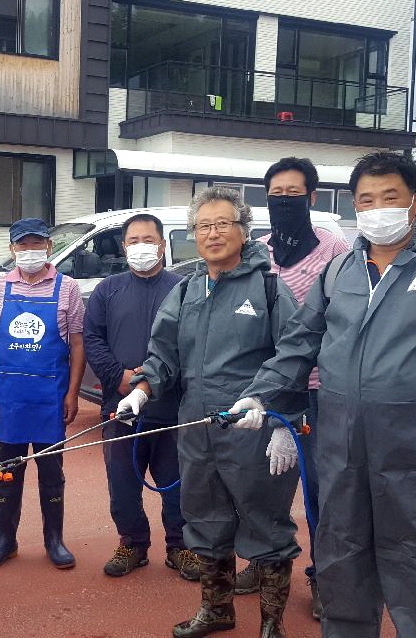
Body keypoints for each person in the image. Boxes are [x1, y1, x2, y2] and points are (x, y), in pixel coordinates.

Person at [234, 152, 416, 638]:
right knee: (342, 557)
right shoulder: (338, 273)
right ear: (355, 206)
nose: (378, 208)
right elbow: (298, 344)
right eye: (366, 200)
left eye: (390, 197)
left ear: (414, 203)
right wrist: (261, 396)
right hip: (341, 449)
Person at [117, 187, 306, 638]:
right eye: (204, 225)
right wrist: (142, 390)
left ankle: (271, 625)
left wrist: (279, 414)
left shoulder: (269, 287)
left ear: (243, 230)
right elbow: (163, 355)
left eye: (223, 223)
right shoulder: (186, 290)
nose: (213, 233)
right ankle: (217, 610)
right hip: (196, 429)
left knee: (266, 523)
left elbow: (296, 354)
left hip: (254, 430)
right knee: (205, 520)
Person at [234, 157, 349, 620]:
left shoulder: (335, 249)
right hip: (269, 388)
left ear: (312, 198)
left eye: (293, 194)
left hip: (320, 392)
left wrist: (299, 402)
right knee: (263, 487)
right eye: (275, 194)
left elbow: (339, 323)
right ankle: (267, 563)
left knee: (323, 490)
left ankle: (325, 578)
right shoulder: (258, 251)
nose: (283, 202)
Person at [83, 213, 199, 581]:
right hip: (121, 408)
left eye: (148, 239)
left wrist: (151, 381)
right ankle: (132, 543)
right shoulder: (107, 290)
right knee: (122, 482)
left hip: (171, 407)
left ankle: (181, 546)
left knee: (175, 481)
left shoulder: (184, 287)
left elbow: (190, 344)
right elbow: (92, 338)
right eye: (133, 241)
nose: (141, 247)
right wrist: (119, 377)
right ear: (124, 246)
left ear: (163, 245)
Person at [0, 217, 86, 569]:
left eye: (36, 243)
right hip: (8, 397)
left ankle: (54, 540)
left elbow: (78, 345)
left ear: (49, 246)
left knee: (51, 471)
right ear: (12, 249)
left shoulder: (67, 287)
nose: (29, 250)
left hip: (49, 397)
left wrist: (72, 393)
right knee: (6, 468)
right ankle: (4, 540)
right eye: (22, 244)